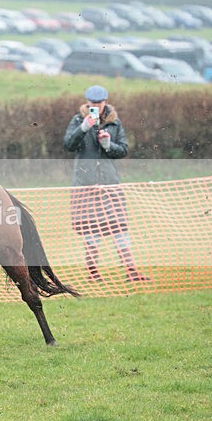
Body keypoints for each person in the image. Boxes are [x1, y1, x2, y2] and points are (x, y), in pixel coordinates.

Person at [63, 85, 148, 282]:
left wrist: (109, 145)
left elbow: (123, 150)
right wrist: (83, 128)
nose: (96, 106)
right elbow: (68, 145)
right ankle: (94, 273)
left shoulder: (115, 123)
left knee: (119, 228)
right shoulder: (77, 120)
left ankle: (131, 271)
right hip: (86, 186)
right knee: (92, 231)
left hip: (110, 186)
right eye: (92, 103)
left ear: (105, 103)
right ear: (87, 103)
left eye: (99, 103)